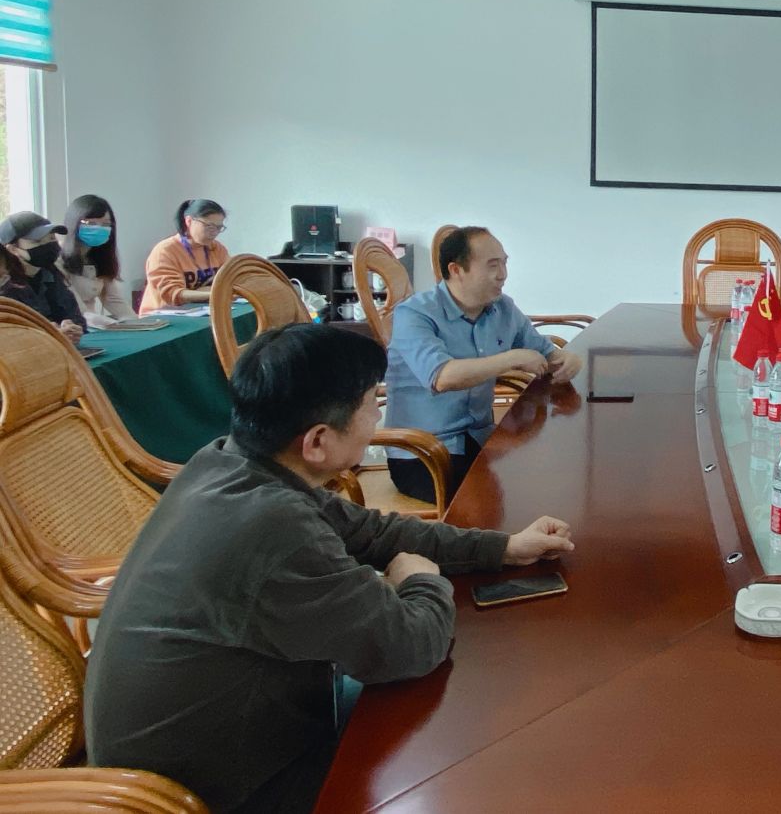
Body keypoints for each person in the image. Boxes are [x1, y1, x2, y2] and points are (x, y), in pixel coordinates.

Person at [83, 323, 577, 814]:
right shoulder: (273, 529)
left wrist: (505, 547)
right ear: (317, 441)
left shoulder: (230, 464)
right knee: (469, 753)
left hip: (248, 731)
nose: (378, 413)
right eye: (369, 405)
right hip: (224, 792)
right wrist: (422, 581)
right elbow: (409, 647)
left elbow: (374, 533)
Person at [385, 226, 584, 504]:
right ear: (456, 270)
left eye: (504, 263)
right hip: (426, 452)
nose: (503, 274)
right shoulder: (415, 314)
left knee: (554, 472)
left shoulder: (503, 308)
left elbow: (546, 353)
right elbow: (442, 377)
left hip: (480, 437)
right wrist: (511, 359)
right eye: (492, 265)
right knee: (510, 499)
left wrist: (569, 360)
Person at [0, 210, 85, 341]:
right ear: (13, 249)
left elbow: (76, 318)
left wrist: (73, 327)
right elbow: (9, 335)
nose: (48, 246)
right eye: (37, 241)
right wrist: (47, 334)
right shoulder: (5, 285)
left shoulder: (52, 275)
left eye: (51, 239)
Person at [56, 193, 137, 328]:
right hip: (70, 327)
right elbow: (75, 308)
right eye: (91, 223)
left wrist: (137, 323)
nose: (99, 228)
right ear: (74, 223)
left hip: (94, 325)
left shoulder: (98, 255)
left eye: (106, 224)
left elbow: (113, 298)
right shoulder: (57, 257)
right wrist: (112, 324)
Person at [139, 198, 230, 313]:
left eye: (219, 228)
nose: (214, 232)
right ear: (189, 221)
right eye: (209, 226)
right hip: (163, 316)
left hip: (201, 310)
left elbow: (231, 278)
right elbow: (173, 294)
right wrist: (214, 293)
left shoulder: (216, 248)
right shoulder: (165, 251)